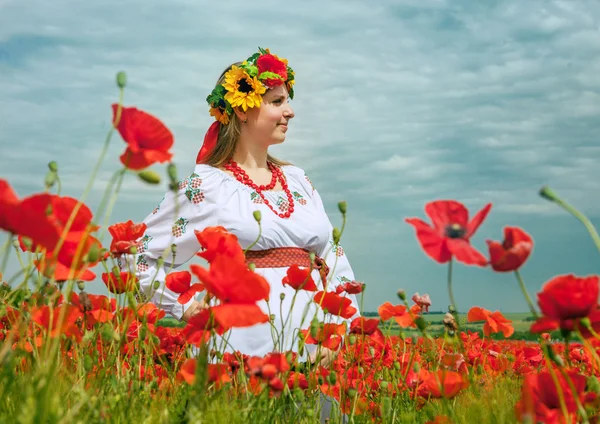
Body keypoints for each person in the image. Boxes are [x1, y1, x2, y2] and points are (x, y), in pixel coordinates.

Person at [124, 47, 361, 365]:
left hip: (316, 350)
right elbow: (136, 254)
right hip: (238, 348)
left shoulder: (299, 181)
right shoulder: (208, 186)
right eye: (277, 102)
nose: (289, 112)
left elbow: (335, 263)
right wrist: (188, 306)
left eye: (287, 101)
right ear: (242, 109)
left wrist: (341, 333)